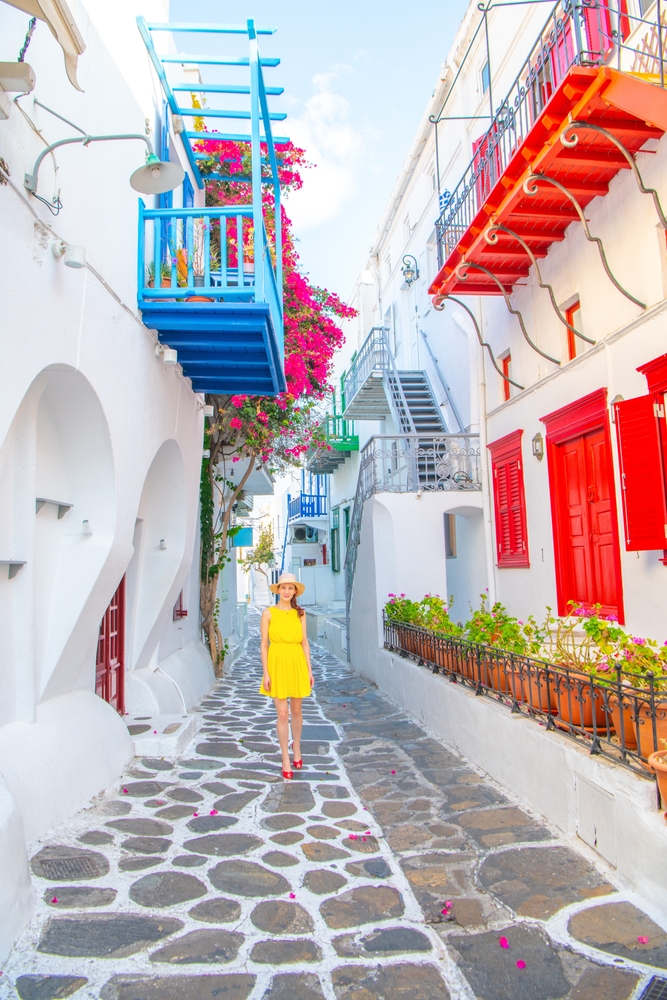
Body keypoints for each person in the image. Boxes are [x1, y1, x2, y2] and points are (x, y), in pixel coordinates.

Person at [260, 572, 314, 779]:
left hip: (296, 661)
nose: (286, 591)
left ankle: (297, 747)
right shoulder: (268, 613)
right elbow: (264, 644)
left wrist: (309, 669)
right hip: (277, 661)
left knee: (297, 710)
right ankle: (284, 757)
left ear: (295, 592)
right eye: (283, 588)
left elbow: (305, 643)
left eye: (290, 588)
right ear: (278, 590)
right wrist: (266, 672)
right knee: (282, 714)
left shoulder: (300, 614)